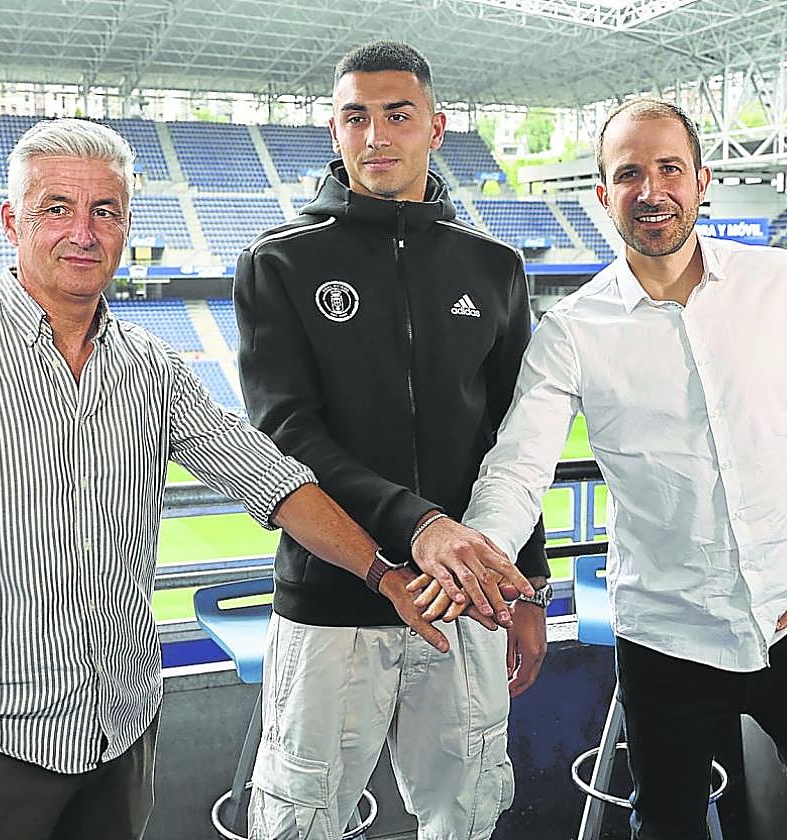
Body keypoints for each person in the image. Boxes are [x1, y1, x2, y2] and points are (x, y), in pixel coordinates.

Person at [0, 117, 453, 840]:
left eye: (105, 212)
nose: (83, 233)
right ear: (11, 222)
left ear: (126, 226)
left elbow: (274, 481)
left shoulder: (151, 367)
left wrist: (384, 573)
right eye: (56, 208)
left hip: (121, 740)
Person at [419, 98, 787, 839]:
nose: (652, 189)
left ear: (702, 181)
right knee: (666, 823)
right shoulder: (572, 331)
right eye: (629, 173)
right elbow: (518, 467)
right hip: (666, 632)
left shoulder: (779, 282)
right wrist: (478, 555)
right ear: (604, 195)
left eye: (669, 168)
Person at [234, 41, 551, 840]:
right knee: (302, 822)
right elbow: (286, 430)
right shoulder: (279, 262)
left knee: (467, 815)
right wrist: (417, 524)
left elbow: (514, 439)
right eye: (356, 117)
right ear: (335, 134)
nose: (376, 135)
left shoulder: (496, 267)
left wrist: (530, 585)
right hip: (332, 600)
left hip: (467, 602)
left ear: (436, 127)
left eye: (397, 115)